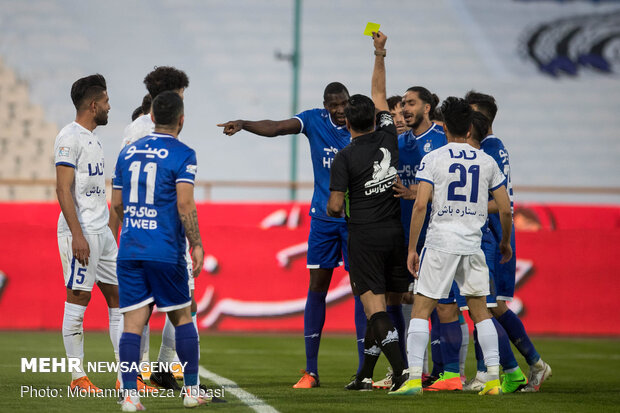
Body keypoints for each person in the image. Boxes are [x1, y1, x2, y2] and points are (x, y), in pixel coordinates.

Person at [218, 83, 367, 388]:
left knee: (361, 290)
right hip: (323, 220)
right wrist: (245, 124)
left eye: (344, 104)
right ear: (325, 105)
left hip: (357, 221)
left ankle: (364, 372)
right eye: (333, 105)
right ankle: (311, 371)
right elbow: (276, 127)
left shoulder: (365, 126)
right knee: (317, 287)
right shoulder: (313, 121)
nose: (339, 110)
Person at [393, 96, 513, 396]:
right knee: (480, 312)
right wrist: (506, 241)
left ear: (444, 126)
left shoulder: (434, 158)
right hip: (473, 246)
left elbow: (420, 205)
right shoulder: (486, 161)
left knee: (421, 311)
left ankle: (412, 381)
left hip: (440, 243)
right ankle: (494, 380)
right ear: (470, 127)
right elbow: (506, 208)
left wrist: (411, 249)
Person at [112, 91, 206, 410]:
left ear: (151, 117)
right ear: (181, 119)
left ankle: (129, 396)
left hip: (131, 249)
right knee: (182, 316)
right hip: (165, 248)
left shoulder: (127, 152)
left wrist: (134, 229)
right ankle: (191, 391)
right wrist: (195, 243)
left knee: (133, 324)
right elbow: (184, 203)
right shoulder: (183, 154)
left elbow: (116, 204)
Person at [328, 31, 409, 394]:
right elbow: (380, 95)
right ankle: (364, 375)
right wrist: (379, 53)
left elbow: (333, 204)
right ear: (377, 119)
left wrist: (340, 207)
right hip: (394, 232)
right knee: (381, 308)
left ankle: (403, 372)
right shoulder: (389, 134)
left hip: (363, 236)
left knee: (374, 308)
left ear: (347, 123)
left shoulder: (344, 157)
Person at [465, 91, 551, 392]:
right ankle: (526, 366)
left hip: (493, 236)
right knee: (490, 306)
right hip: (492, 234)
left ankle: (518, 368)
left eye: (470, 113)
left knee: (487, 306)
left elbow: (501, 202)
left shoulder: (486, 150)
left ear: (482, 119)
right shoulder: (492, 147)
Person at [54, 74, 119, 393]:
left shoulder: (94, 138)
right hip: (79, 233)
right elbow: (62, 189)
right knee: (79, 298)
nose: (110, 107)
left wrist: (108, 230)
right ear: (93, 105)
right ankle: (77, 377)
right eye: (106, 102)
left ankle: (127, 378)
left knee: (121, 299)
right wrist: (78, 235)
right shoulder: (69, 137)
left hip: (102, 232)